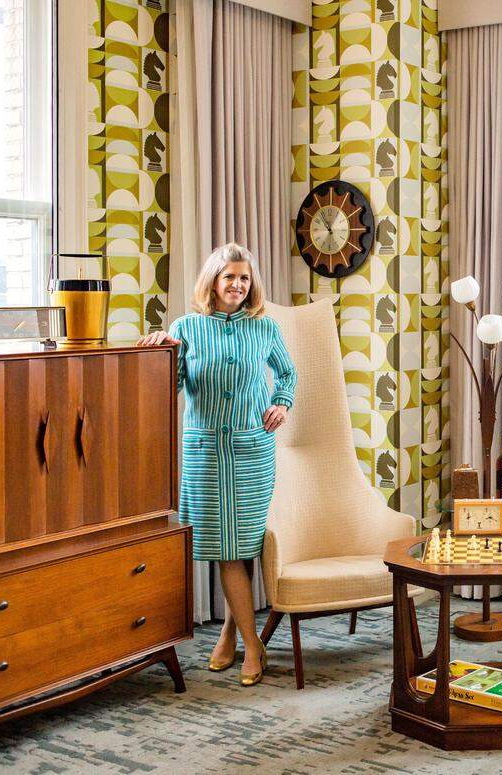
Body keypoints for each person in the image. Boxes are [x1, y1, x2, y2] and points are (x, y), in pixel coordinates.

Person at [139, 243, 297, 686]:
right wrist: (160, 353)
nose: (237, 285)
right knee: (226, 548)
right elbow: (169, 388)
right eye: (229, 277)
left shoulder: (263, 328)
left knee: (239, 546)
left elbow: (287, 374)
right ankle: (250, 641)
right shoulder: (186, 327)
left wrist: (281, 404)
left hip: (251, 450)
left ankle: (240, 641)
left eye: (244, 278)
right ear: (213, 280)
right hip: (205, 451)